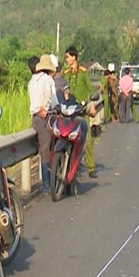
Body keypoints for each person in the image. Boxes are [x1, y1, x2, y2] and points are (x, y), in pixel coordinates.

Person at [64, 46, 99, 178]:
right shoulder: (65, 73)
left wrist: (92, 105)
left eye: (67, 57)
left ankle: (91, 167)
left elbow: (90, 91)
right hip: (68, 112)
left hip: (81, 111)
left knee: (87, 139)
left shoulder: (83, 73)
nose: (66, 59)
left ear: (74, 57)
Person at [28, 54, 59, 188]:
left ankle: (47, 181)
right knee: (47, 150)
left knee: (43, 150)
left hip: (35, 118)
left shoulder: (31, 82)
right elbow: (53, 100)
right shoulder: (48, 80)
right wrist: (46, 108)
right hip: (46, 117)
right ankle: (47, 184)